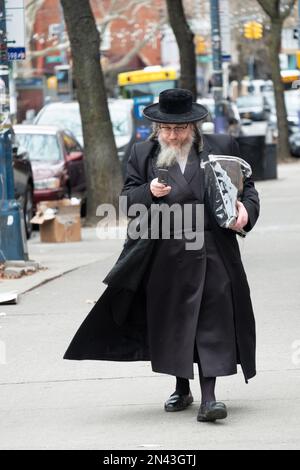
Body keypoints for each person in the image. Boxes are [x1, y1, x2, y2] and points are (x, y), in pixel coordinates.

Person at [64, 89, 260, 423]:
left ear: (194, 126)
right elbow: (126, 201)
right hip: (164, 255)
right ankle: (182, 387)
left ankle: (209, 399)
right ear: (157, 128)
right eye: (166, 129)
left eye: (180, 129)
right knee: (175, 324)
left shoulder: (224, 147)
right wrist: (148, 193)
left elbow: (249, 191)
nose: (172, 135)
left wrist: (245, 212)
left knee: (212, 320)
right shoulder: (142, 153)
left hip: (215, 250)